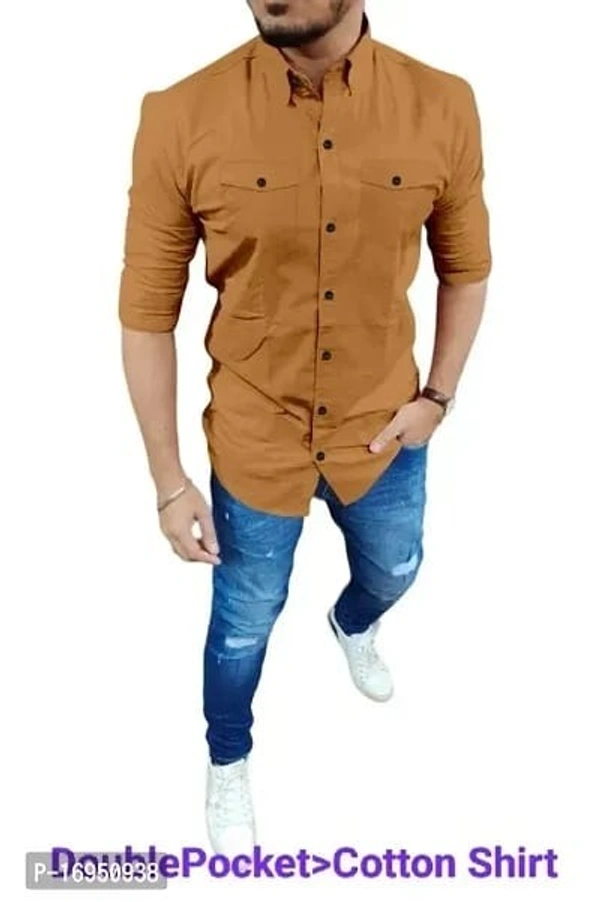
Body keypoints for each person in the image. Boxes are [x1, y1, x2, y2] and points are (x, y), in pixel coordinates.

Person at [118, 0, 491, 853]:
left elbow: (466, 268)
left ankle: (353, 624)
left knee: (397, 568)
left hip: (384, 433)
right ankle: (227, 758)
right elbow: (146, 315)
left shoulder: (443, 105)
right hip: (255, 438)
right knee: (243, 622)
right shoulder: (180, 114)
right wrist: (169, 484)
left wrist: (437, 398)